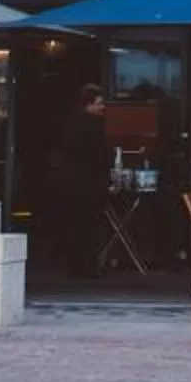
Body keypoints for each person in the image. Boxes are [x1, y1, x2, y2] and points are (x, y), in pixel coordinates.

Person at [54, 85, 111, 278]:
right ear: (89, 104)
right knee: (90, 226)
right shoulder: (93, 126)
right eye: (99, 103)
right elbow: (100, 155)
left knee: (75, 225)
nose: (103, 106)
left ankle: (75, 266)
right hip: (89, 183)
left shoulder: (71, 122)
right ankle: (87, 267)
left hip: (72, 182)